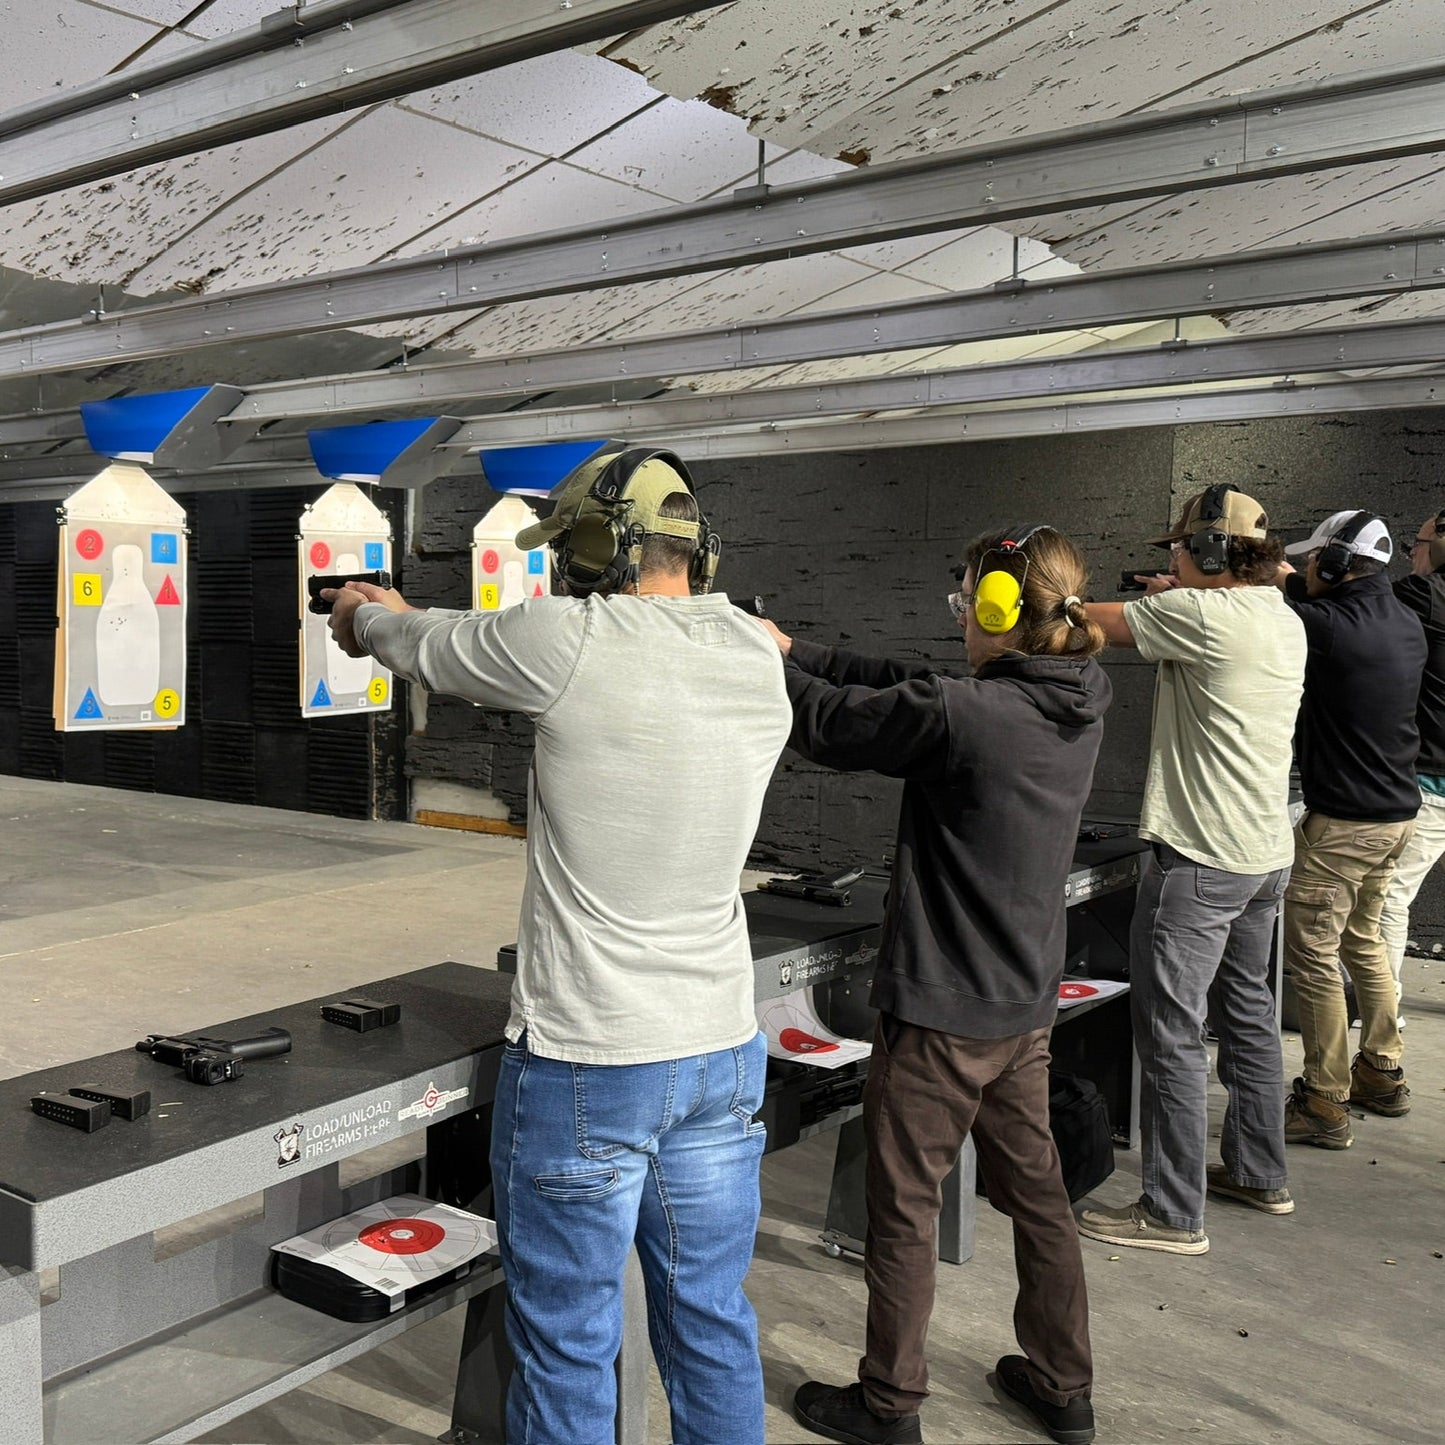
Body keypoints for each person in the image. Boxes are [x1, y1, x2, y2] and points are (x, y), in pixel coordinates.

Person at [326, 444, 792, 1445]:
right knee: (710, 1319)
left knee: (568, 1344)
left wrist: (363, 613)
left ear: (596, 545)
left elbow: (425, 644)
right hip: (718, 1044)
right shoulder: (759, 649)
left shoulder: (566, 638)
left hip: (591, 1058)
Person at [772, 526, 1111, 1445]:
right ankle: (1063, 1386)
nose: (960, 618)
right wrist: (798, 647)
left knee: (904, 1209)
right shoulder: (1082, 690)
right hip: (1023, 1007)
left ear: (1000, 614)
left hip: (940, 1015)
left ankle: (889, 1402)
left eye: (966, 603)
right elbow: (898, 681)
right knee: (1039, 1198)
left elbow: (835, 723)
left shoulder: (972, 716)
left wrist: (754, 659)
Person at [1076, 485, 1305, 1256]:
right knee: (1247, 1016)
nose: (1168, 558)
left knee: (1170, 1032)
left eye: (1177, 547)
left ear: (1209, 553)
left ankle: (1173, 1210)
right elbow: (1208, 617)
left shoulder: (1198, 616)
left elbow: (1089, 623)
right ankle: (1257, 1169)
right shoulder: (1279, 616)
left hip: (1201, 858)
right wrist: (1180, 594)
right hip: (1266, 854)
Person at [1274, 511, 1422, 1148]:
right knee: (1363, 940)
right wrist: (1292, 580)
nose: (1307, 569)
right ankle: (1382, 1071)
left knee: (1311, 956)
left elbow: (1282, 611)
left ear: (1336, 568)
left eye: (1315, 562)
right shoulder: (1407, 624)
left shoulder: (1329, 626)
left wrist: (1275, 580)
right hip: (1396, 816)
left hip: (1345, 824)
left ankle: (1324, 1099)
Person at [1379, 508, 1445, 1030]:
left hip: (1433, 783)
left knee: (1389, 898)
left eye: (1418, 543)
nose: (1413, 554)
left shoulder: (1429, 595)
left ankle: (1383, 1014)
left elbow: (1361, 600)